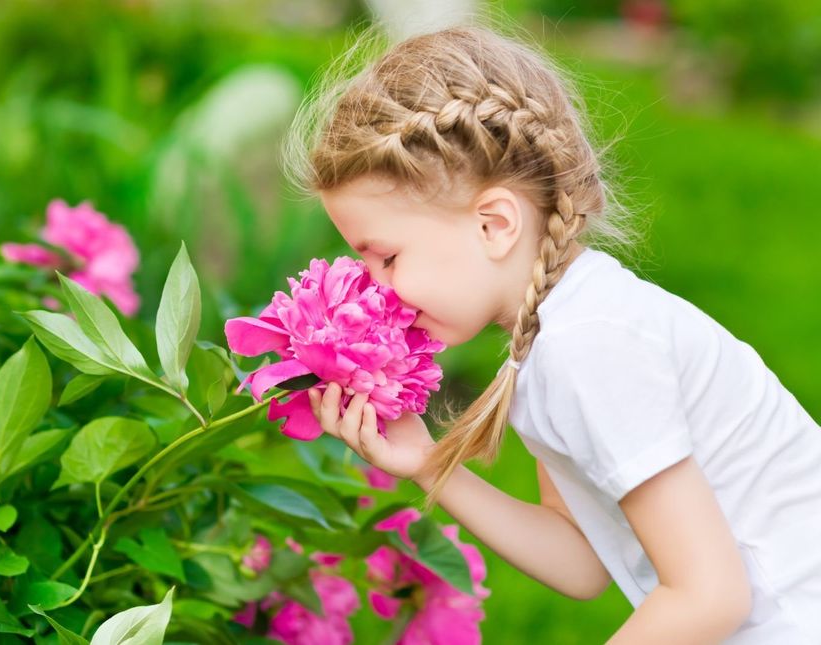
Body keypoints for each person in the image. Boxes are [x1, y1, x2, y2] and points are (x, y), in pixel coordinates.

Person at [281, 20, 821, 645]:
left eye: (387, 258)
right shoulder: (552, 338)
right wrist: (429, 466)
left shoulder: (588, 346)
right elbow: (584, 559)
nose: (374, 289)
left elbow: (708, 597)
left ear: (494, 224)